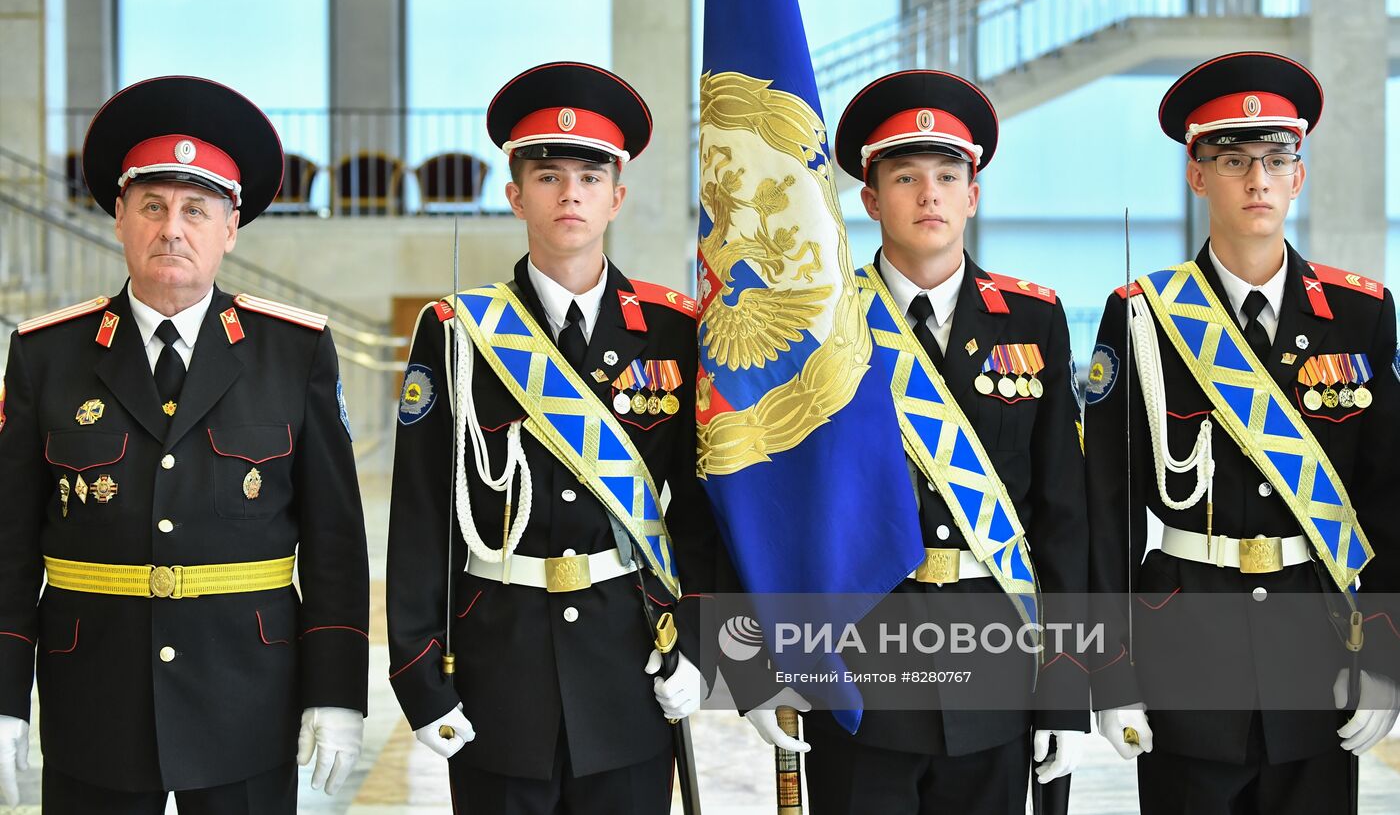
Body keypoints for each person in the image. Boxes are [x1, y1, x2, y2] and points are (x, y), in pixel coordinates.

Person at [0, 75, 370, 812]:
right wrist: (5, 696)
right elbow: (7, 545)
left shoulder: (295, 352)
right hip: (95, 702)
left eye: (196, 209)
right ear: (118, 218)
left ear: (230, 228)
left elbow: (335, 543)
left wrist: (336, 692)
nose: (172, 227)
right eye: (153, 205)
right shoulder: (47, 353)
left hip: (247, 701)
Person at [742, 69, 1089, 814]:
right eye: (905, 176)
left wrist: (1066, 687)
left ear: (973, 193)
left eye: (947, 174)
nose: (929, 194)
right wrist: (762, 662)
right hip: (858, 667)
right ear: (870, 200)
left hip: (997, 664)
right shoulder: (818, 324)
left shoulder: (1033, 321)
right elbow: (774, 505)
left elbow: (1064, 514)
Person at [385, 61, 718, 815]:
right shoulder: (458, 332)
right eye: (547, 173)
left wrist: (698, 643)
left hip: (630, 661)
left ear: (617, 197)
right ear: (515, 194)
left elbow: (699, 509)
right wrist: (418, 676)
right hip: (498, 670)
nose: (571, 192)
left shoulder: (672, 330)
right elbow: (422, 511)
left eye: (590, 176)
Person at [1084, 50, 1400, 814]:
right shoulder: (1143, 316)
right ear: (1198, 175)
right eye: (1232, 159)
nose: (1257, 179)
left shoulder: (1361, 313)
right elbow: (1108, 509)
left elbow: (1391, 499)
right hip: (1184, 652)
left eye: (1276, 157)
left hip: (1320, 648)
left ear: (1300, 173)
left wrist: (1386, 657)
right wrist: (1111, 669)